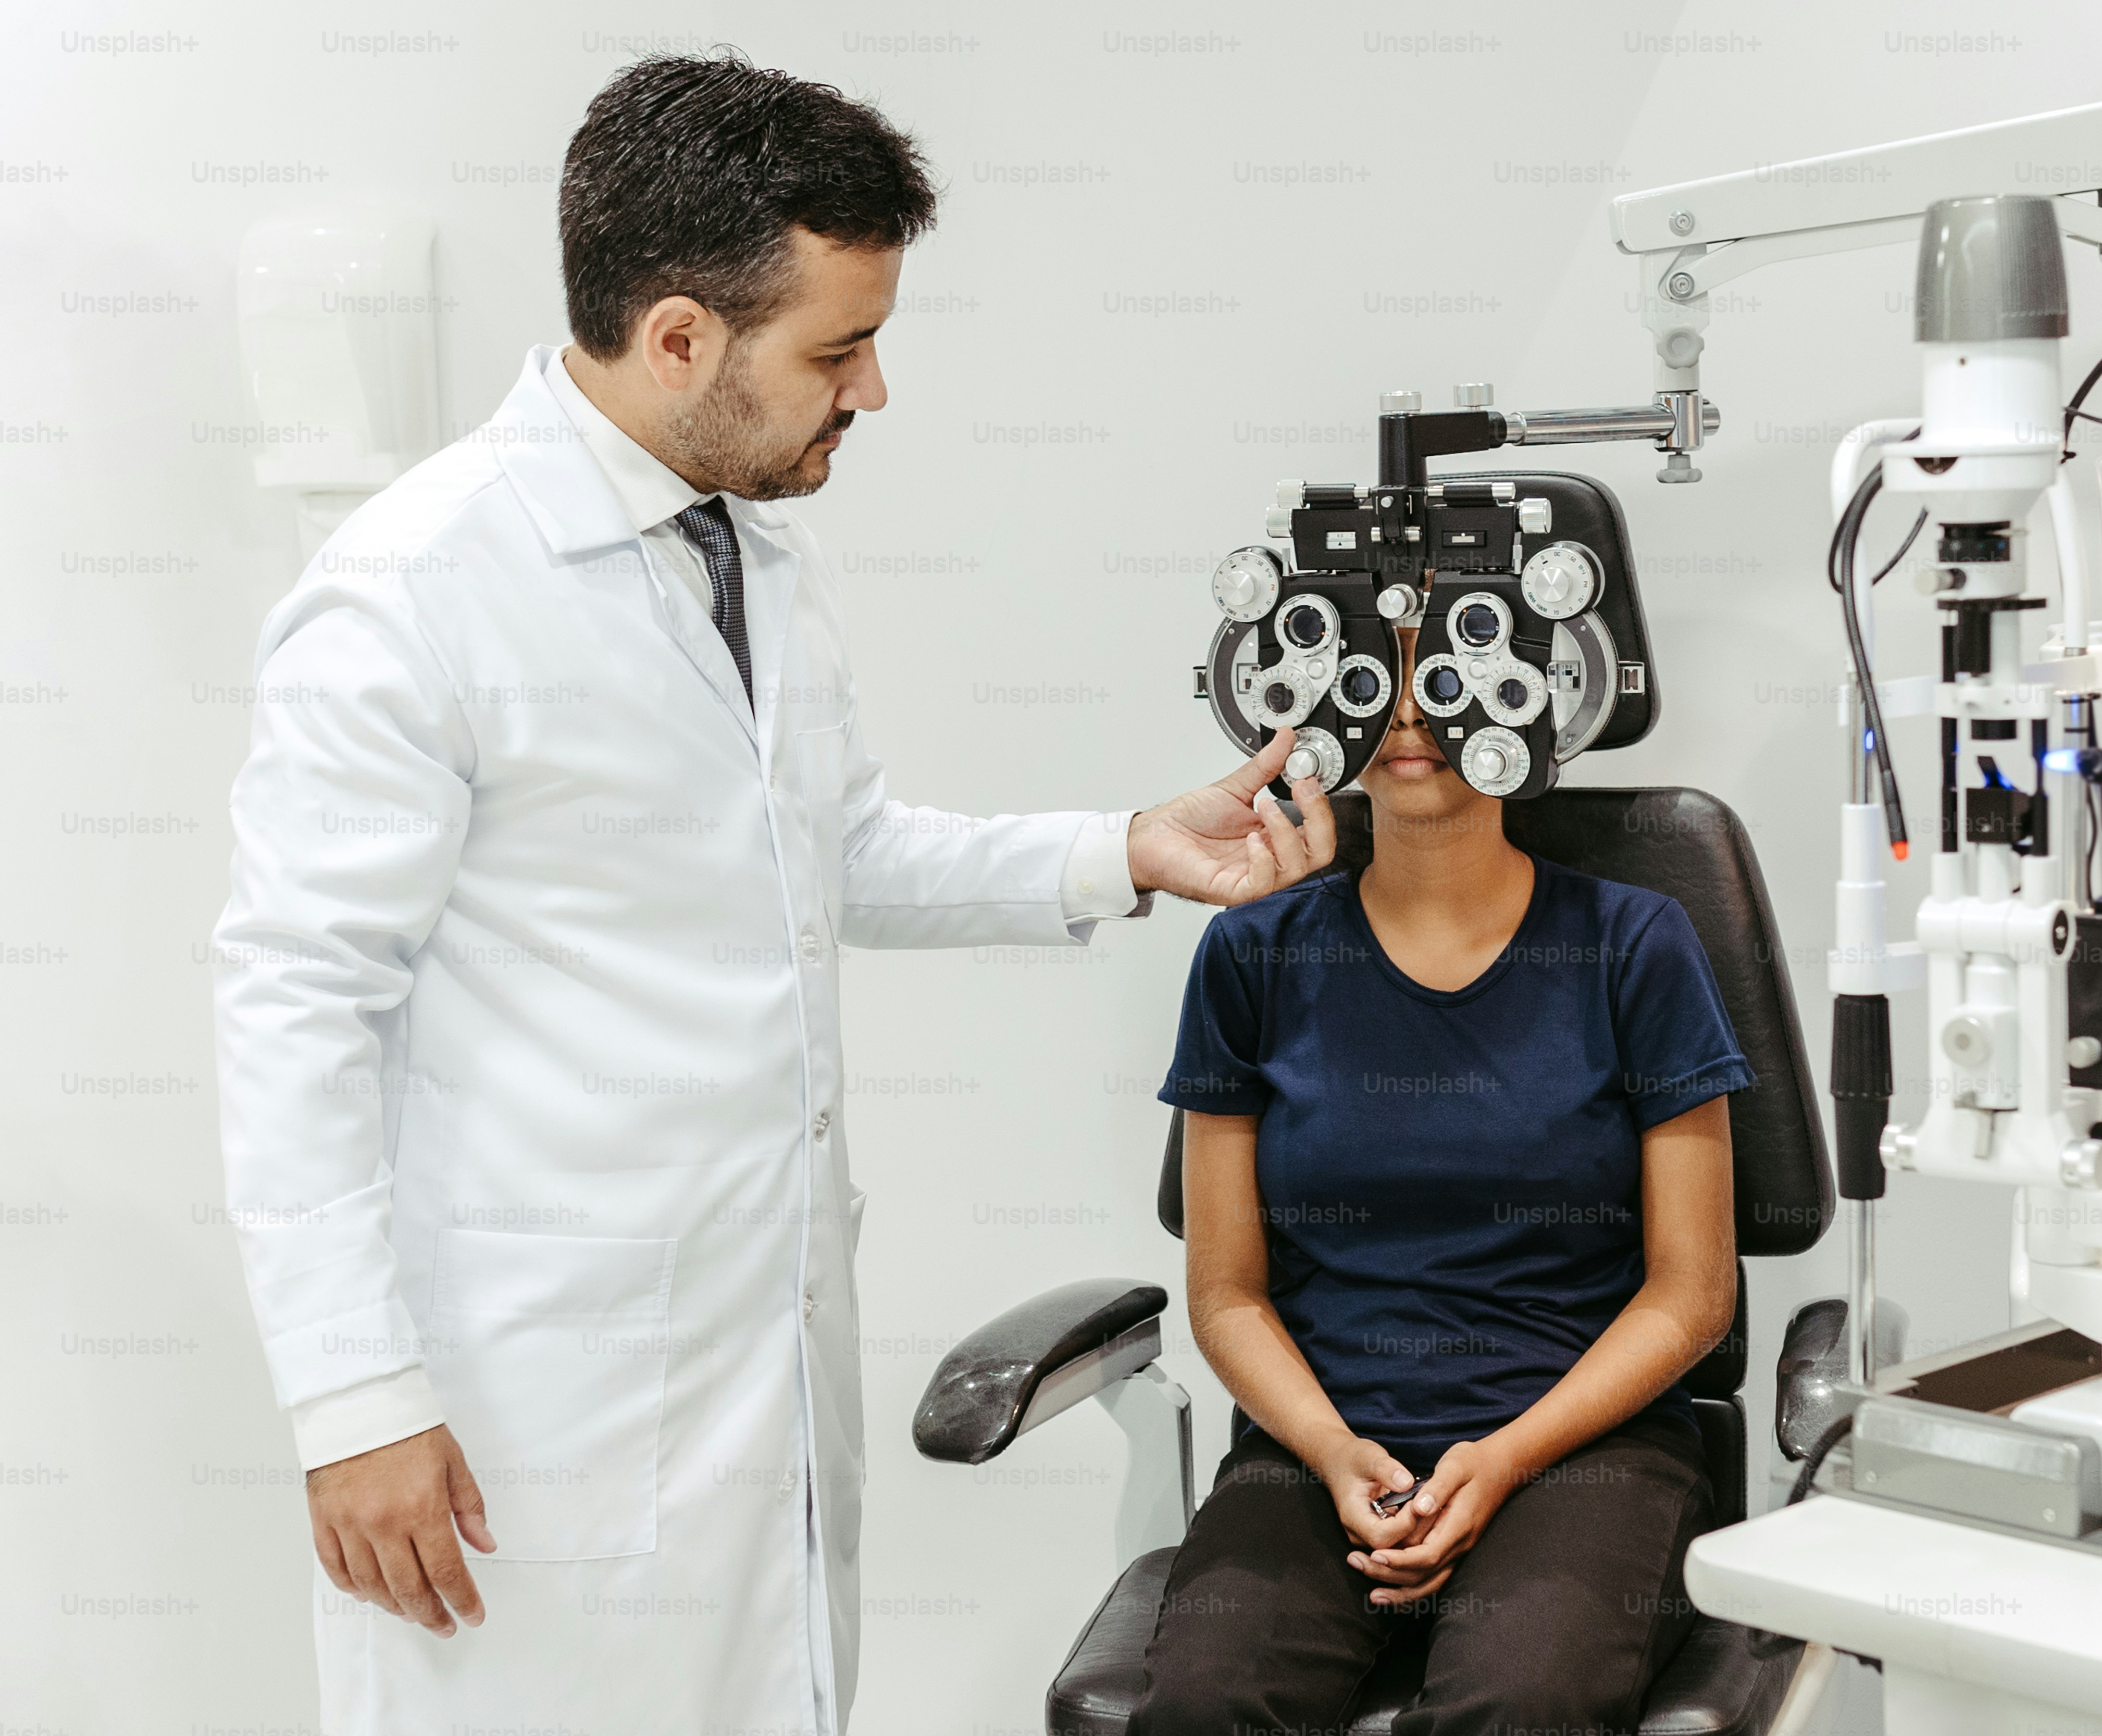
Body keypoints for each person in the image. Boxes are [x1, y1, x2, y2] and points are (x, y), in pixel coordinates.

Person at [209, 54, 1333, 1736]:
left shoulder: (752, 554)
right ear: (679, 338)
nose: (873, 389)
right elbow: (292, 1007)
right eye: (838, 348)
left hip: (756, 1373)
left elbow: (836, 848)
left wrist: (1126, 848)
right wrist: (353, 1399)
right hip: (528, 1423)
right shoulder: (408, 597)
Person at [1136, 621, 1751, 1736]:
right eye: (1379, 669)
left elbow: (1691, 1291)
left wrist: (1506, 1456)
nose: (1411, 708)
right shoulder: (1254, 952)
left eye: (1451, 667)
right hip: (1324, 1441)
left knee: (1522, 1704)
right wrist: (1330, 1450)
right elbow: (1226, 1290)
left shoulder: (1632, 944)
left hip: (1579, 1441)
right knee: (1201, 1708)